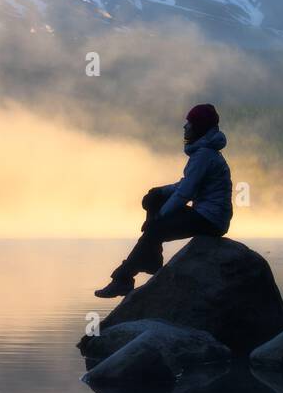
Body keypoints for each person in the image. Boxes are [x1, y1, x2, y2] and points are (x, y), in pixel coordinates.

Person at [94, 103, 232, 298]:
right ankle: (150, 258)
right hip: (207, 215)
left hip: (210, 220)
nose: (185, 127)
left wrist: (160, 217)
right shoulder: (205, 153)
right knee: (153, 198)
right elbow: (185, 185)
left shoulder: (204, 155)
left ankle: (124, 279)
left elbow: (185, 193)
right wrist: (160, 192)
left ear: (199, 128)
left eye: (190, 123)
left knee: (156, 227)